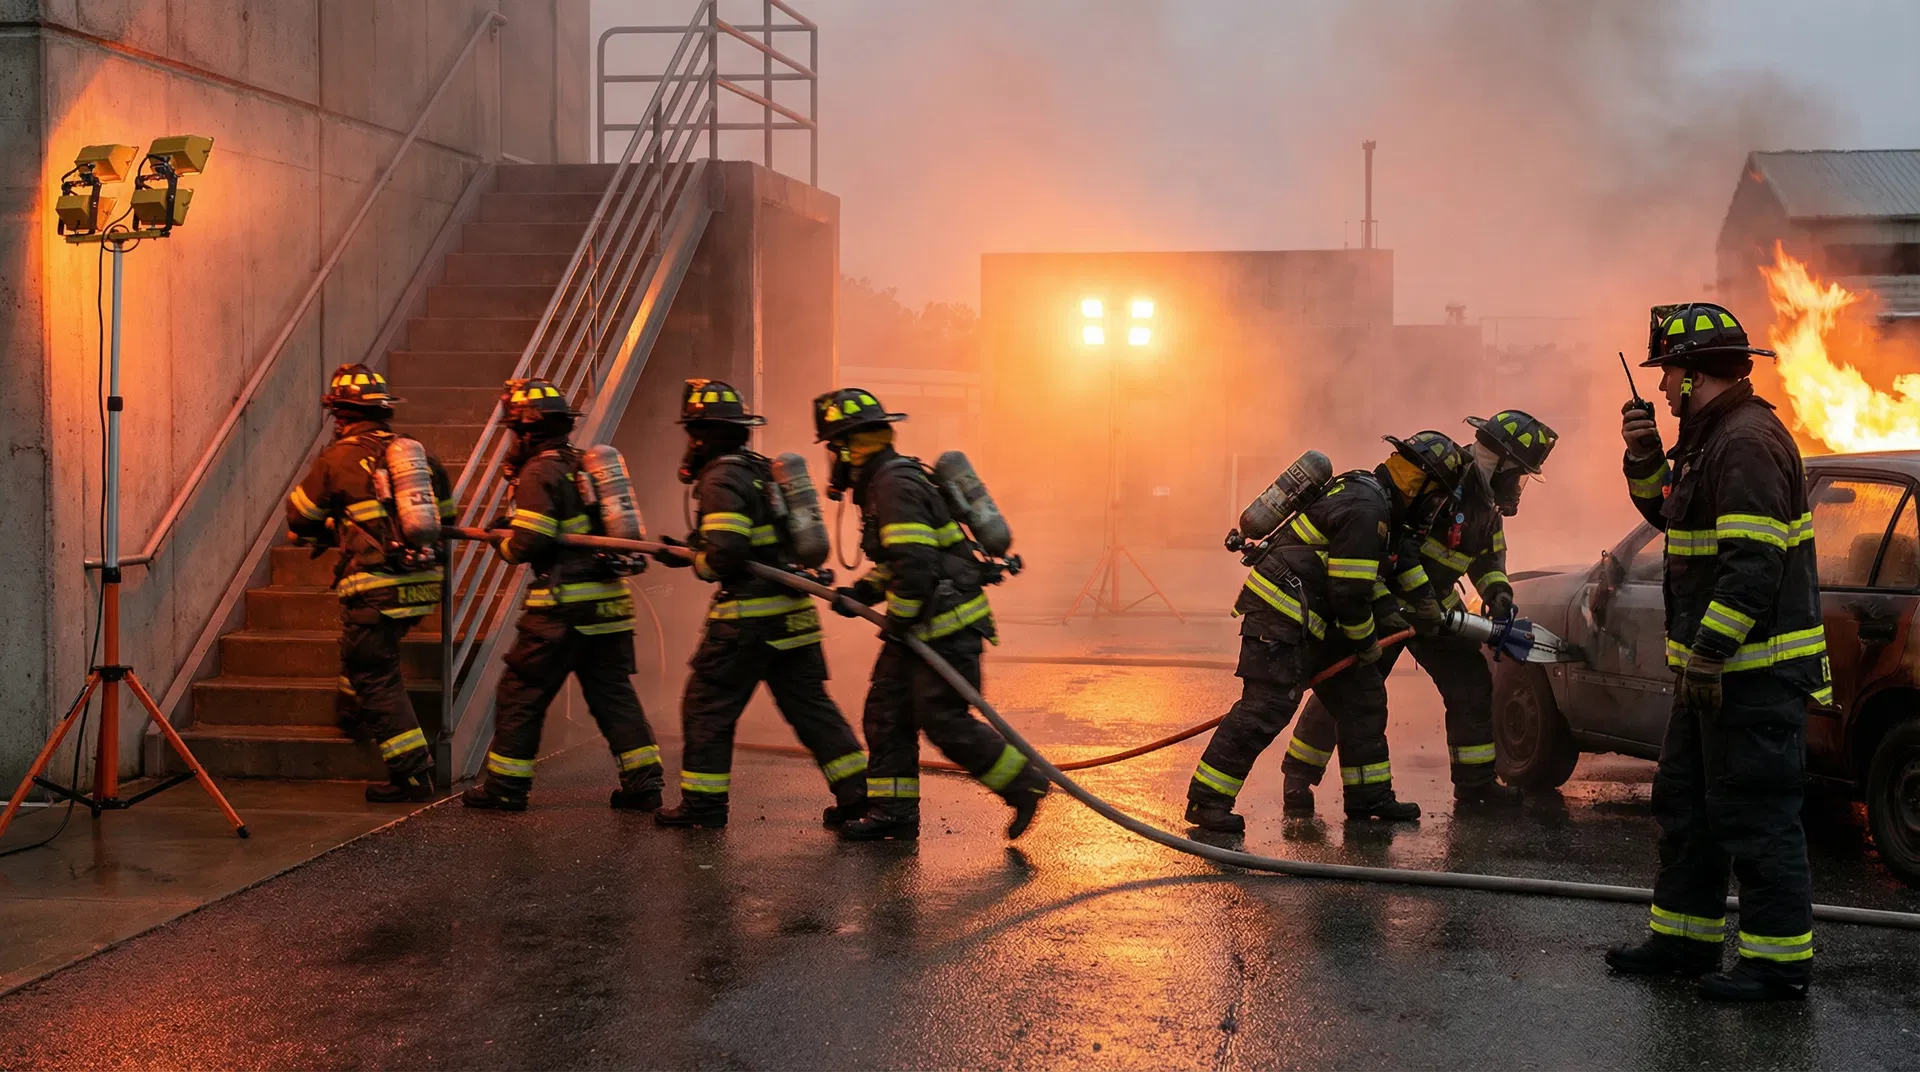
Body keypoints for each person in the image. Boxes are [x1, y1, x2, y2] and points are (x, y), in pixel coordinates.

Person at [1604, 302, 1828, 1002]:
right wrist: (1644, 457)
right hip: (1714, 678)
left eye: (1667, 374)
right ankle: (1683, 942)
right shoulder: (1708, 441)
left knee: (1756, 816)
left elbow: (1752, 565)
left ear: (1693, 373)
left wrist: (1707, 653)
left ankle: (1776, 966)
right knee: (1690, 807)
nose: (1662, 389)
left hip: (1750, 677)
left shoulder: (1746, 443)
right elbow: (1667, 513)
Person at [1187, 432, 1470, 831]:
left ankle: (1369, 796)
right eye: (1437, 496)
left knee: (1363, 697)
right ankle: (1207, 802)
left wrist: (1420, 603)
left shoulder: (1382, 505)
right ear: (1419, 482)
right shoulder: (1368, 509)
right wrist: (1369, 642)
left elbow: (1395, 560)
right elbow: (1350, 592)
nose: (1436, 507)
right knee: (1266, 709)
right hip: (1281, 617)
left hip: (1313, 621)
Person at [1281, 414, 1558, 813]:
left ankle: (1476, 784)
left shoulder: (1488, 506)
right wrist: (1398, 605)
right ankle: (1299, 776)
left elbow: (1488, 554)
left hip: (1437, 606)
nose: (1518, 485)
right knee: (1348, 685)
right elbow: (1399, 547)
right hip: (1387, 601)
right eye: (1517, 474)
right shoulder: (1443, 479)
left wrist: (1497, 589)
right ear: (1498, 461)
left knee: (1470, 682)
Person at [815, 387, 1048, 841]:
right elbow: (900, 561)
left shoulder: (892, 485)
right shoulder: (885, 481)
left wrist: (898, 618)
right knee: (887, 713)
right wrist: (860, 592)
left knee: (944, 720)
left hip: (945, 627)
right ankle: (892, 812)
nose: (832, 460)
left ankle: (1024, 783)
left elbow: (917, 569)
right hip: (921, 627)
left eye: (833, 449)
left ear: (846, 447)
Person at [651, 378, 868, 829]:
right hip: (794, 620)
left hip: (746, 624)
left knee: (706, 705)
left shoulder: (721, 476)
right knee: (812, 711)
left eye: (692, 432)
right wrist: (687, 548)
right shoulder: (761, 468)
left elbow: (727, 552)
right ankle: (857, 795)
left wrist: (700, 562)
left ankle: (704, 807)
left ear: (701, 434)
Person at [460, 378, 665, 812]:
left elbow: (529, 542)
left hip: (560, 612)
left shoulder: (540, 470)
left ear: (529, 431)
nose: (512, 441)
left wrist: (504, 541)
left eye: (514, 431)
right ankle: (644, 783)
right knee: (613, 695)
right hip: (609, 606)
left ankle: (506, 788)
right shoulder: (581, 465)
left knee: (521, 691)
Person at [286, 363, 455, 803]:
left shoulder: (336, 458)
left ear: (341, 415)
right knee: (365, 654)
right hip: (421, 584)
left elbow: (298, 517)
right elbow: (447, 518)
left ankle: (412, 774)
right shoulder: (419, 456)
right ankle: (352, 714)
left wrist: (331, 525)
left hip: (376, 587)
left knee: (374, 673)